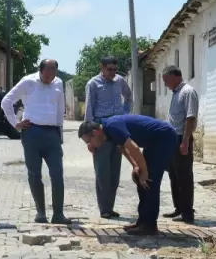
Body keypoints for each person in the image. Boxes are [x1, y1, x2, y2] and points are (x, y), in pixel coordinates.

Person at [78, 114, 177, 236]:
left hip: (164, 137)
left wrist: (144, 171)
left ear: (95, 133)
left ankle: (150, 225)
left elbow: (134, 148)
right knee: (141, 179)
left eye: (89, 141)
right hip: (153, 142)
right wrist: (136, 166)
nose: (90, 145)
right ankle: (142, 222)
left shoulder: (112, 126)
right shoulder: (107, 133)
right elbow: (123, 149)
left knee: (149, 181)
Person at [1, 59, 70, 224]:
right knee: (34, 174)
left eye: (54, 74)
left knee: (57, 173)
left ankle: (58, 214)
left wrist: (59, 134)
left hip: (52, 133)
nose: (50, 78)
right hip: (32, 132)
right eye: (48, 74)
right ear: (40, 70)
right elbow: (6, 102)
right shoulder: (28, 82)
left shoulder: (58, 83)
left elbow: (60, 109)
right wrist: (15, 124)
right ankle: (41, 213)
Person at [84, 56, 133, 220]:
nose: (113, 73)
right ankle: (104, 208)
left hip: (117, 126)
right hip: (100, 128)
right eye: (109, 69)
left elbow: (128, 96)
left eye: (114, 69)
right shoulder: (93, 84)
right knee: (102, 170)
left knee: (114, 171)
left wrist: (125, 113)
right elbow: (89, 111)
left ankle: (110, 207)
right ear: (102, 67)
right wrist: (90, 139)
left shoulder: (120, 81)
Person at [160, 65, 199, 225]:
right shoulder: (176, 93)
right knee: (173, 175)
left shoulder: (188, 92)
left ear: (176, 76)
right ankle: (179, 208)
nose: (165, 84)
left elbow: (190, 118)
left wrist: (185, 142)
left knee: (184, 176)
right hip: (172, 138)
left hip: (182, 138)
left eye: (166, 80)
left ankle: (188, 212)